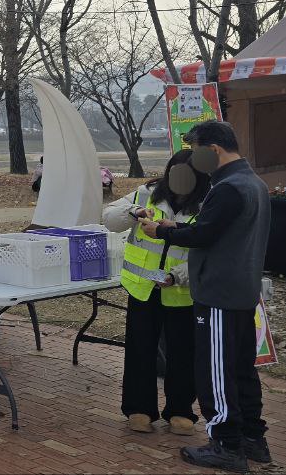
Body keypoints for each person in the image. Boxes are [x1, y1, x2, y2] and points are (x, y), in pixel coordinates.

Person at [141, 121, 272, 471]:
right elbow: (215, 229)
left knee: (216, 372)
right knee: (242, 369)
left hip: (218, 294)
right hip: (242, 292)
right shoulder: (253, 183)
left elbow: (203, 236)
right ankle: (253, 439)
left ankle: (226, 445)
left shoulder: (228, 188)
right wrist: (173, 226)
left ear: (213, 151)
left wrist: (161, 232)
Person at [103, 149, 210, 436]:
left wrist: (176, 277)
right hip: (143, 288)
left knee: (182, 353)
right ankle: (139, 409)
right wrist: (133, 213)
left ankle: (180, 410)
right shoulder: (146, 193)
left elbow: (206, 253)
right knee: (140, 349)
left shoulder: (207, 206)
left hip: (182, 292)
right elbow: (109, 218)